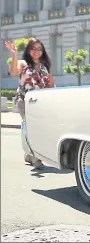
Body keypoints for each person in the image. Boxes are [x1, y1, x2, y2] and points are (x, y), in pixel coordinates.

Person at [5, 38, 56, 169]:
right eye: (33, 48)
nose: (36, 51)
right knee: (32, 128)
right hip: (25, 101)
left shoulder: (45, 65)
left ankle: (29, 154)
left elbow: (51, 84)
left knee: (40, 129)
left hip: (41, 103)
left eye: (39, 49)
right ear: (28, 50)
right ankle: (35, 158)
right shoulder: (23, 63)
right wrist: (14, 53)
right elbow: (13, 72)